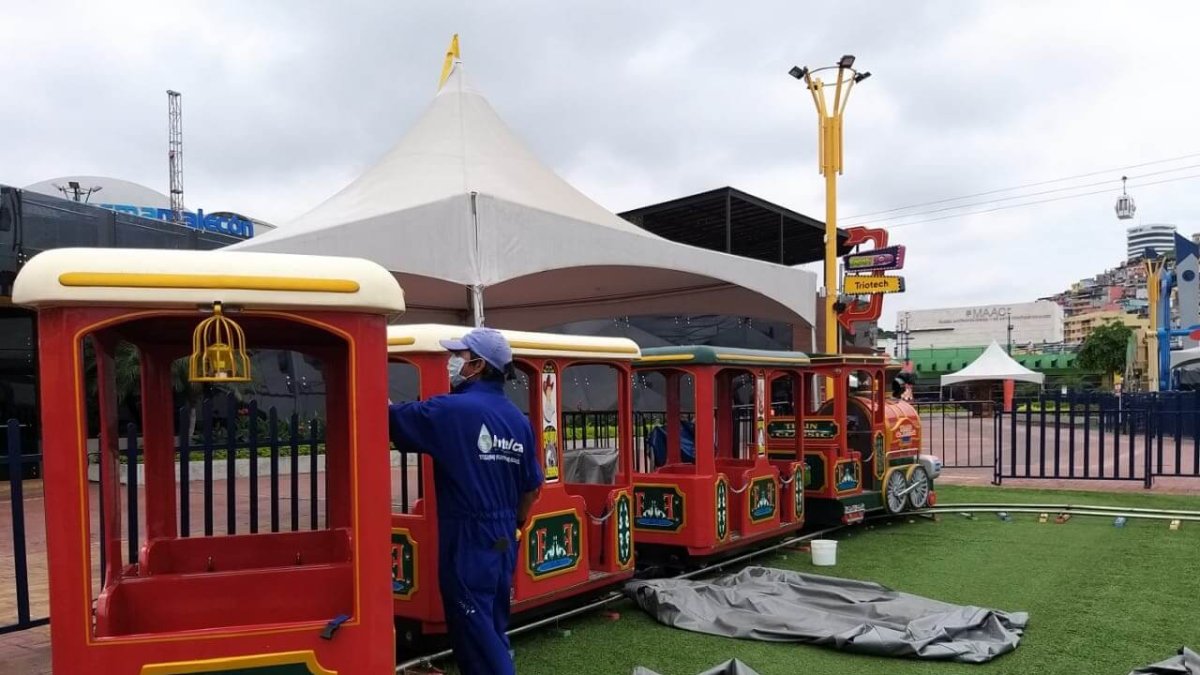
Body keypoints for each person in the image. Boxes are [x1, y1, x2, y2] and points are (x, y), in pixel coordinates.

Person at [388, 328, 543, 675]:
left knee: (475, 633)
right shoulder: (519, 421)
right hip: (504, 536)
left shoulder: (452, 411)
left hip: (469, 538)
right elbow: (532, 488)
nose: (452, 364)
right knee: (491, 623)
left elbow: (391, 418)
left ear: (477, 365)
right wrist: (516, 523)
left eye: (458, 357)